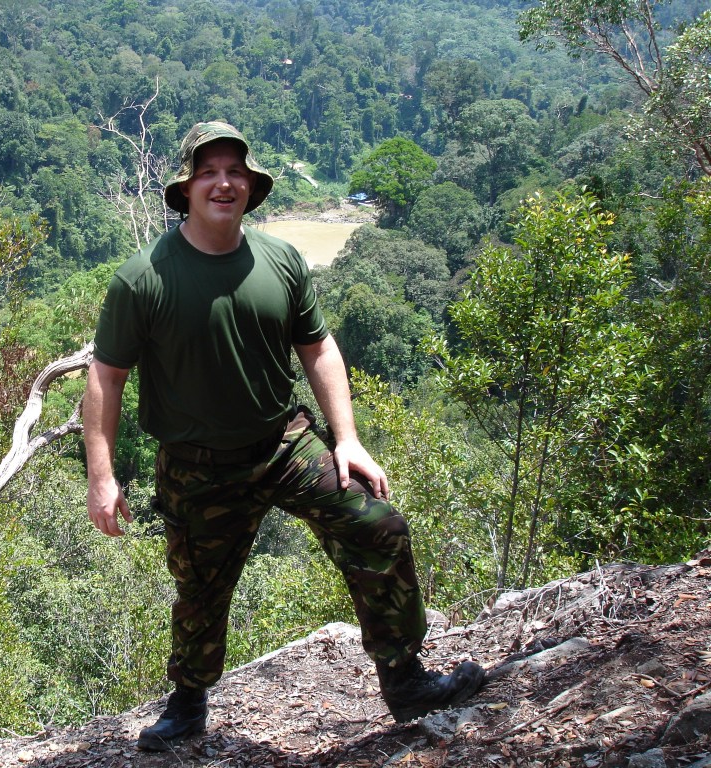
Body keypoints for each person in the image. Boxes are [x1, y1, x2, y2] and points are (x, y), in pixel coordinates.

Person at [83, 121, 484, 752]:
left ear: (251, 186)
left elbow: (318, 347)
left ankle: (404, 680)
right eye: (209, 172)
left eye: (235, 172)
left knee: (377, 525)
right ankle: (188, 704)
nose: (224, 183)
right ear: (186, 188)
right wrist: (102, 479)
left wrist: (347, 439)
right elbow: (106, 379)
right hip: (196, 465)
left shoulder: (282, 262)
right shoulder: (144, 279)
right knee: (200, 589)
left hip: (283, 444)